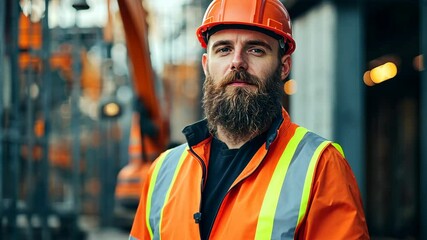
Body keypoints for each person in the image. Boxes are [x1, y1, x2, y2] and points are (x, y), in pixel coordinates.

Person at [129, 0, 370, 239]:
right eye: (223, 49)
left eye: (256, 49)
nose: (237, 62)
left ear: (284, 66)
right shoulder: (163, 172)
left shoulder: (321, 167)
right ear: (206, 65)